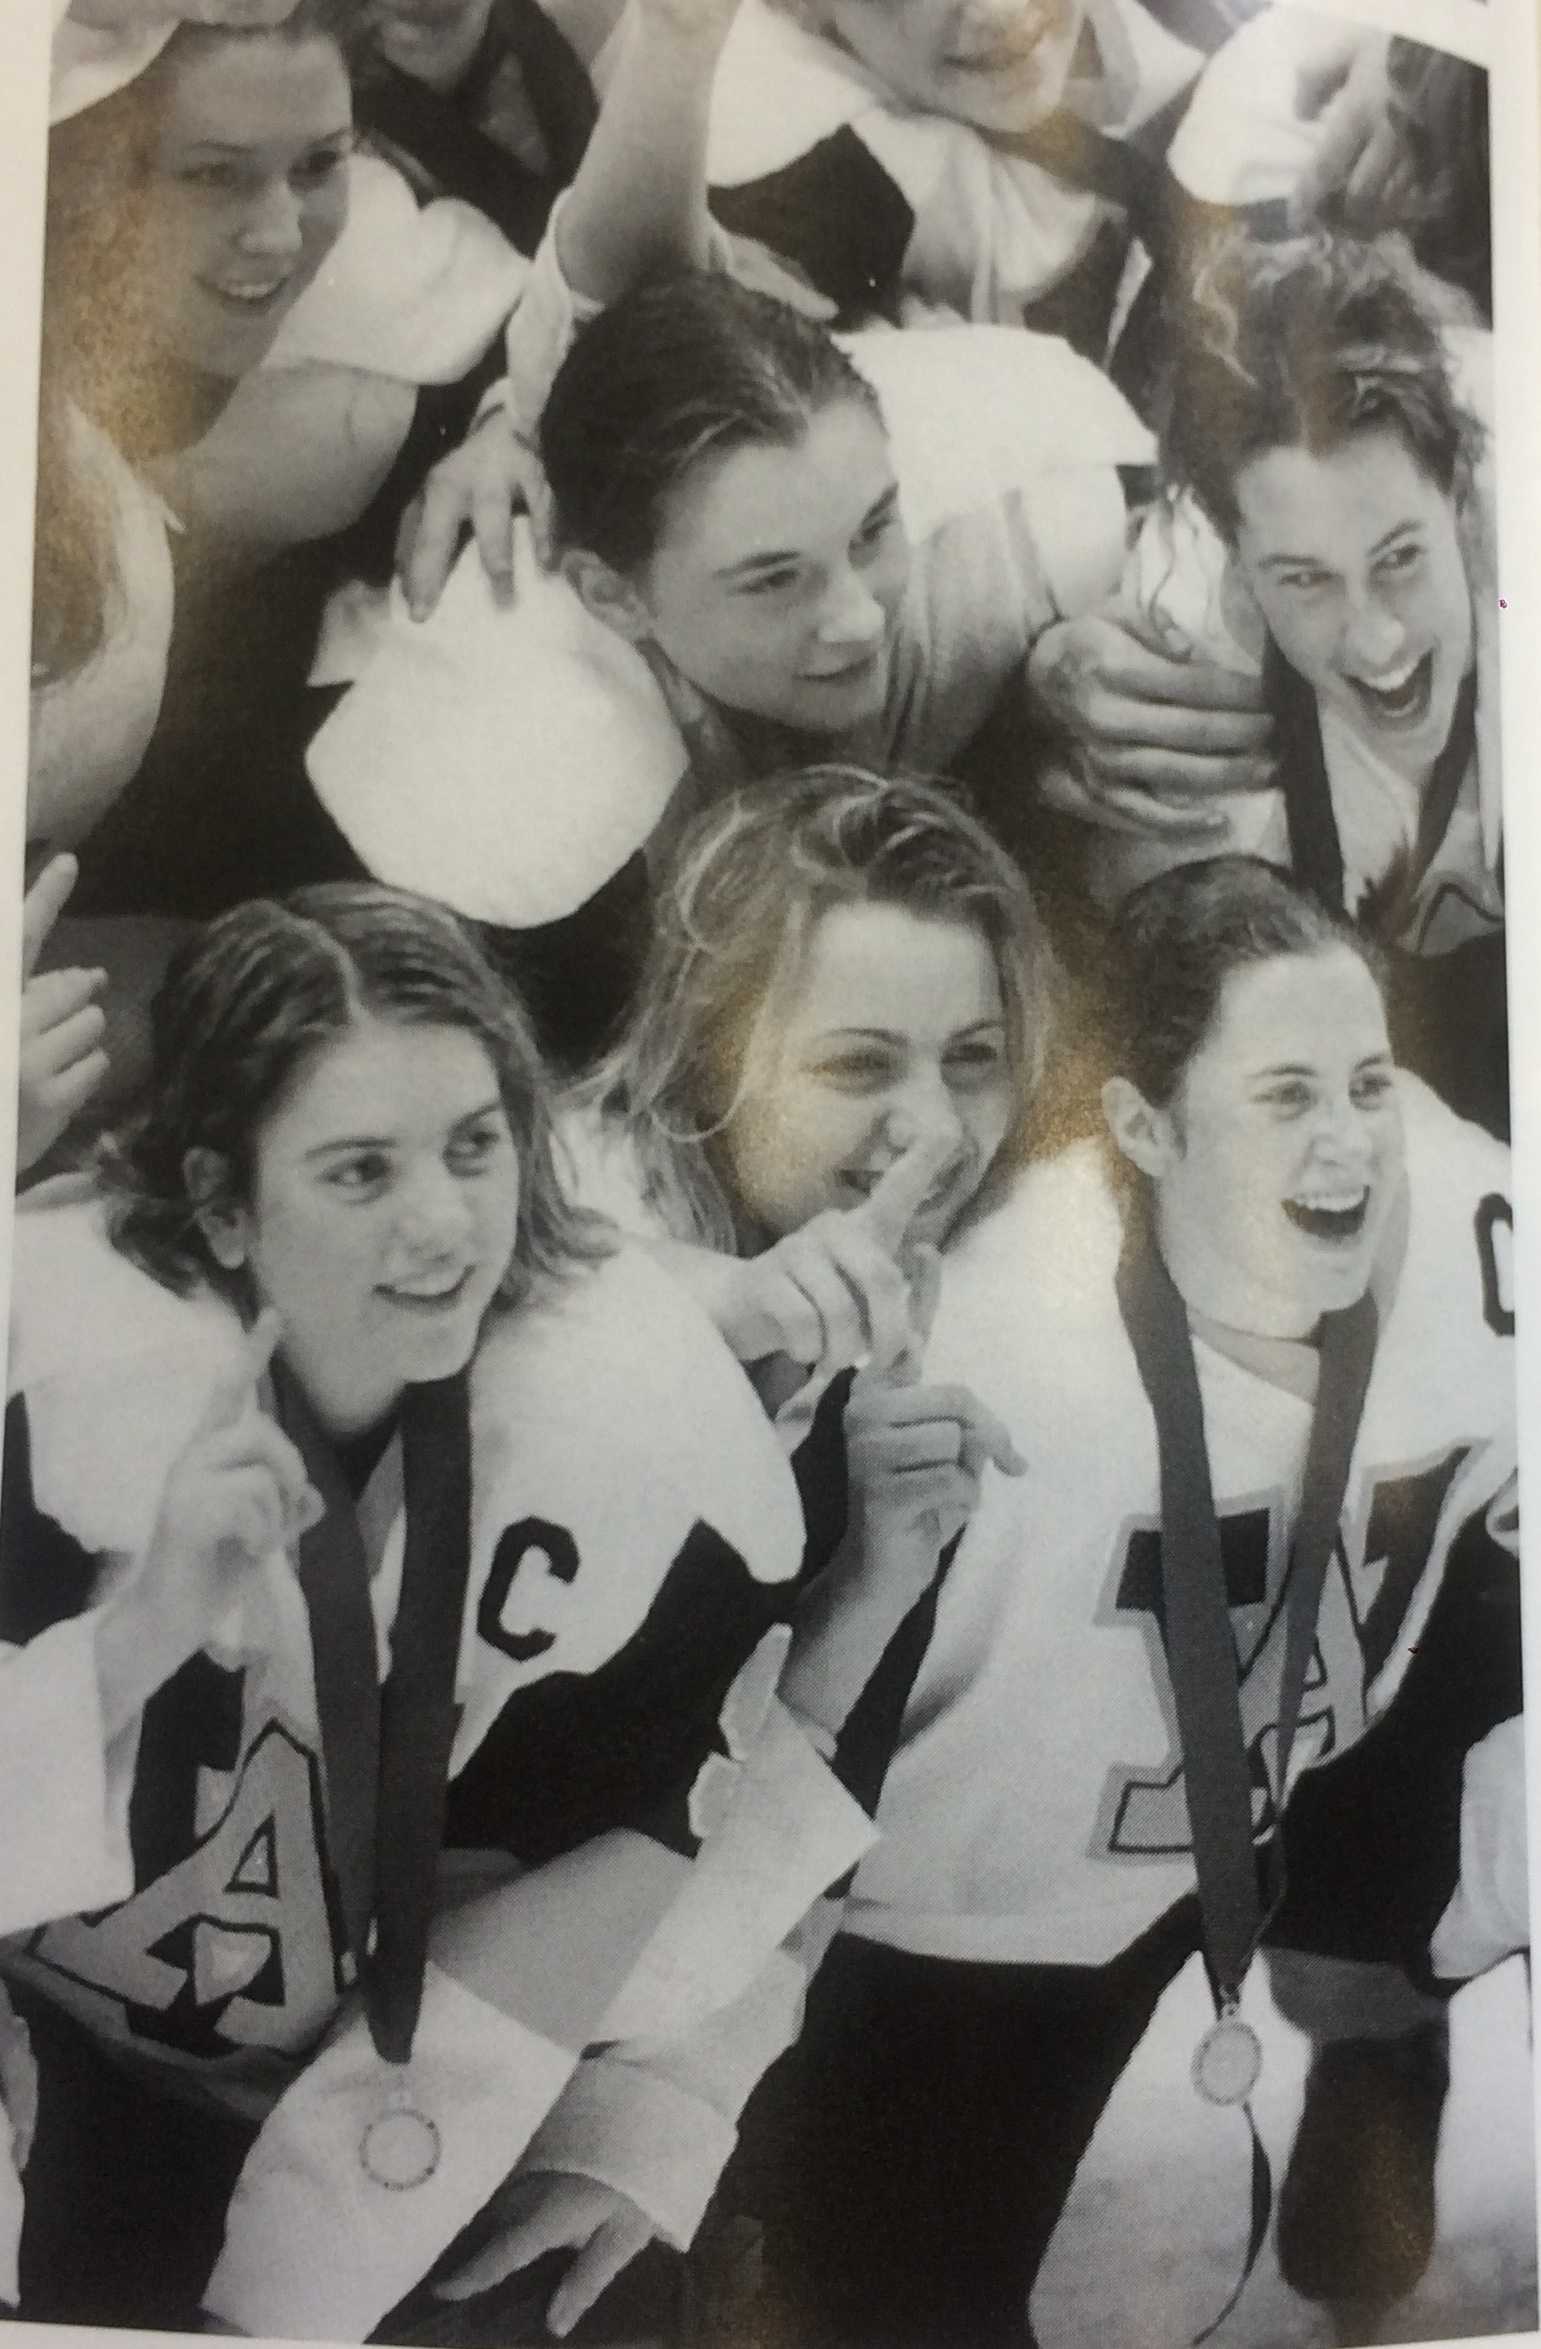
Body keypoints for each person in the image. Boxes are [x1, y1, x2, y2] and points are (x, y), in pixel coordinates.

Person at [509, 855, 1519, 2346]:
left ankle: (1378, 2033)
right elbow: (788, 1751)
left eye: (1368, 1084)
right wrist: (666, 2082)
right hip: (912, 1921)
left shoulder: (1473, 1234)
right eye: (1284, 1095)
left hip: (1185, 1870)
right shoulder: (971, 1339)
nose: (1347, 1146)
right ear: (1141, 1126)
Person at [0, 882, 876, 2341]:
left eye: (475, 1149)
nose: (441, 1224)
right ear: (220, 1197)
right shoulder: (46, 1368)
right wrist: (139, 1629)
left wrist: (276, 2315)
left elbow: (532, 1957)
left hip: (335, 2070)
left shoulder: (635, 1449)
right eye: (359, 1171)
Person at [419, 764, 1056, 2336]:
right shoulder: (493, 1264)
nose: (935, 1129)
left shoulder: (900, 1327)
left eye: (975, 1060)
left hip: (563, 2083)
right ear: (709, 1052)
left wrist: (651, 2127)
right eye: (860, 1064)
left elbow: (807, 1827)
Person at [308, 0, 1149, 1064]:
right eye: (772, 581)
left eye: (870, 532)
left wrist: (1050, 698)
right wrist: (678, 44)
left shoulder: (1014, 519)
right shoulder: (524, 794)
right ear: (613, 594)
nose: (855, 621)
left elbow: (638, 299)